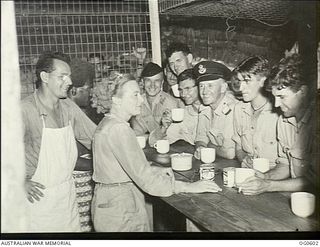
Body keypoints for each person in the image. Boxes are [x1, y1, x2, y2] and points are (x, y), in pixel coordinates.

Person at [91, 74, 222, 232]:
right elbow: (146, 180)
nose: (140, 100)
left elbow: (120, 169)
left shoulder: (108, 123)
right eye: (135, 95)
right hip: (121, 207)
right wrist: (187, 186)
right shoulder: (120, 129)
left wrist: (154, 169)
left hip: (110, 201)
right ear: (116, 100)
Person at [22, 51, 96, 232]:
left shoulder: (68, 106)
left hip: (67, 199)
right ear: (45, 77)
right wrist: (19, 181)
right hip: (38, 202)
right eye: (62, 76)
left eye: (69, 76)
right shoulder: (25, 109)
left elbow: (96, 138)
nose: (70, 82)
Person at [238, 54, 318, 195]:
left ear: (303, 92)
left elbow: (314, 180)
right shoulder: (284, 120)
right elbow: (285, 164)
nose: (276, 104)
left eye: (282, 97)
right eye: (274, 97)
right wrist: (265, 177)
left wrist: (268, 185)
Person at [231, 56, 279, 168]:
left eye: (247, 81)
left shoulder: (279, 112)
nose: (241, 88)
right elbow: (238, 146)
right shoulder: (239, 109)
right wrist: (243, 158)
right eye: (240, 81)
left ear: (263, 81)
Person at [69, 58, 99, 232]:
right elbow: (71, 159)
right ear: (74, 90)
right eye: (87, 89)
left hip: (85, 179)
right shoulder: (68, 114)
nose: (91, 92)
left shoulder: (79, 112)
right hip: (77, 183)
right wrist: (98, 162)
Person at [194, 61, 238, 160]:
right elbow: (200, 138)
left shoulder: (233, 110)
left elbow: (229, 153)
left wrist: (208, 146)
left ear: (223, 88)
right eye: (201, 86)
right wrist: (200, 147)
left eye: (210, 86)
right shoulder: (205, 107)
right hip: (217, 161)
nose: (204, 92)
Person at [149, 69, 201, 146]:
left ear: (200, 87)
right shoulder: (183, 114)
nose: (183, 94)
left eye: (187, 88)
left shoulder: (212, 111)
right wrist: (164, 127)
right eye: (180, 90)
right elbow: (153, 142)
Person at [130, 62, 183, 137]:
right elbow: (137, 133)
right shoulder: (137, 102)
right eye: (148, 80)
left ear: (162, 82)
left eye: (157, 80)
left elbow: (175, 134)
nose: (152, 85)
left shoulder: (170, 103)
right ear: (142, 82)